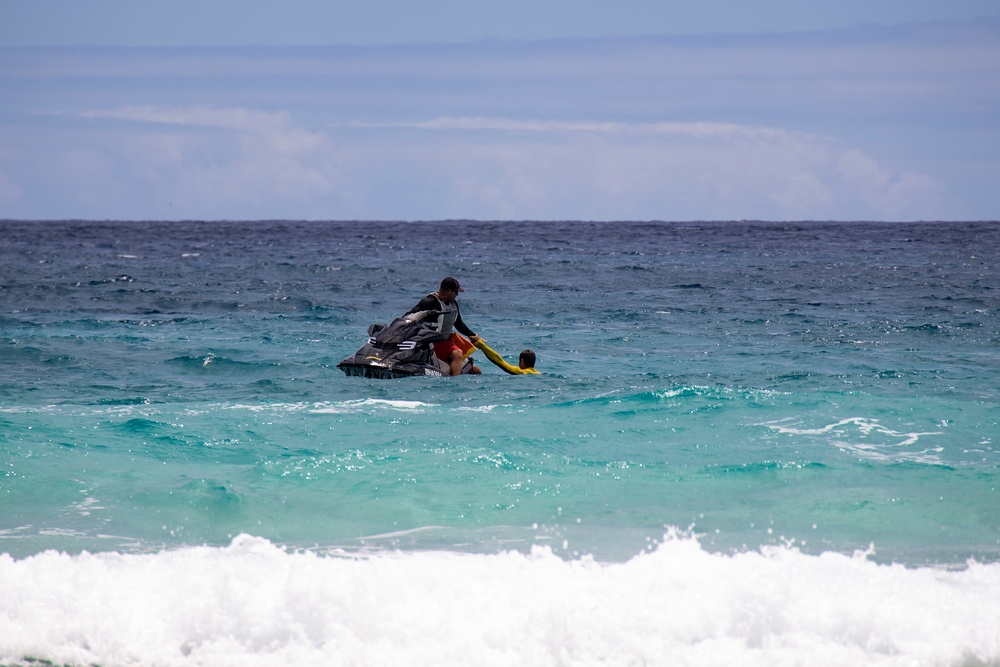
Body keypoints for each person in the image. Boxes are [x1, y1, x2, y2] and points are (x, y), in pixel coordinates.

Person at [407, 276, 482, 376]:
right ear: (449, 291)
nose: (457, 295)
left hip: (444, 342)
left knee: (476, 370)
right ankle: (455, 384)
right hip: (430, 342)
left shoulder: (453, 304)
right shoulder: (430, 302)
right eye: (456, 292)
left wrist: (472, 335)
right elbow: (409, 316)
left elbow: (458, 323)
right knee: (457, 353)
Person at [475, 341, 540, 375]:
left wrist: (481, 344)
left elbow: (499, 360)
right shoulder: (539, 374)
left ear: (522, 361)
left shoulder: (521, 372)